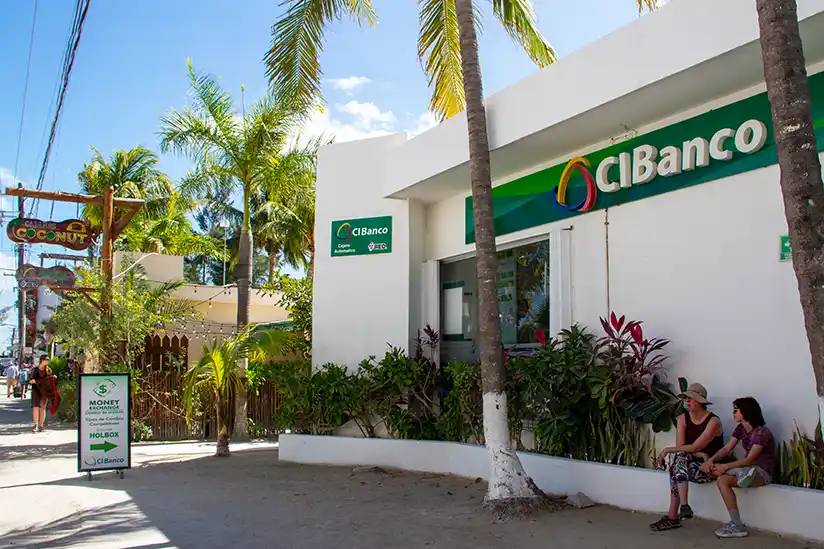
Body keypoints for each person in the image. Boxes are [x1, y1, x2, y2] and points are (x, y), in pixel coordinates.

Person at [649, 382, 724, 532]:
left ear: (700, 402)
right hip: (688, 465)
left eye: (691, 399)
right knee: (679, 459)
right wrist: (698, 453)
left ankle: (674, 516)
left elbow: (694, 446)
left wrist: (666, 450)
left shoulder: (713, 421)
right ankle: (683, 507)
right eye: (685, 398)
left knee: (676, 464)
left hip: (708, 468)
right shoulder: (683, 418)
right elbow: (683, 448)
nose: (687, 402)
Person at [700, 396, 775, 538]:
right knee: (722, 480)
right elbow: (727, 449)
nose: (733, 414)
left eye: (736, 410)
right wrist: (711, 460)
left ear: (746, 412)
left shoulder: (762, 433)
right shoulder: (740, 429)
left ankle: (741, 474)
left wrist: (725, 467)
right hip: (746, 469)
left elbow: (749, 459)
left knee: (730, 470)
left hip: (762, 472)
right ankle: (737, 524)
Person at [29, 355, 53, 432]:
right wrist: (31, 381)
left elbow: (50, 381)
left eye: (48, 360)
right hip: (36, 391)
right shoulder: (34, 370)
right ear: (41, 360)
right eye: (46, 360)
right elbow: (29, 380)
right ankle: (35, 425)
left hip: (44, 392)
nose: (47, 361)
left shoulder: (48, 370)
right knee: (35, 408)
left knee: (42, 408)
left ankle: (41, 426)